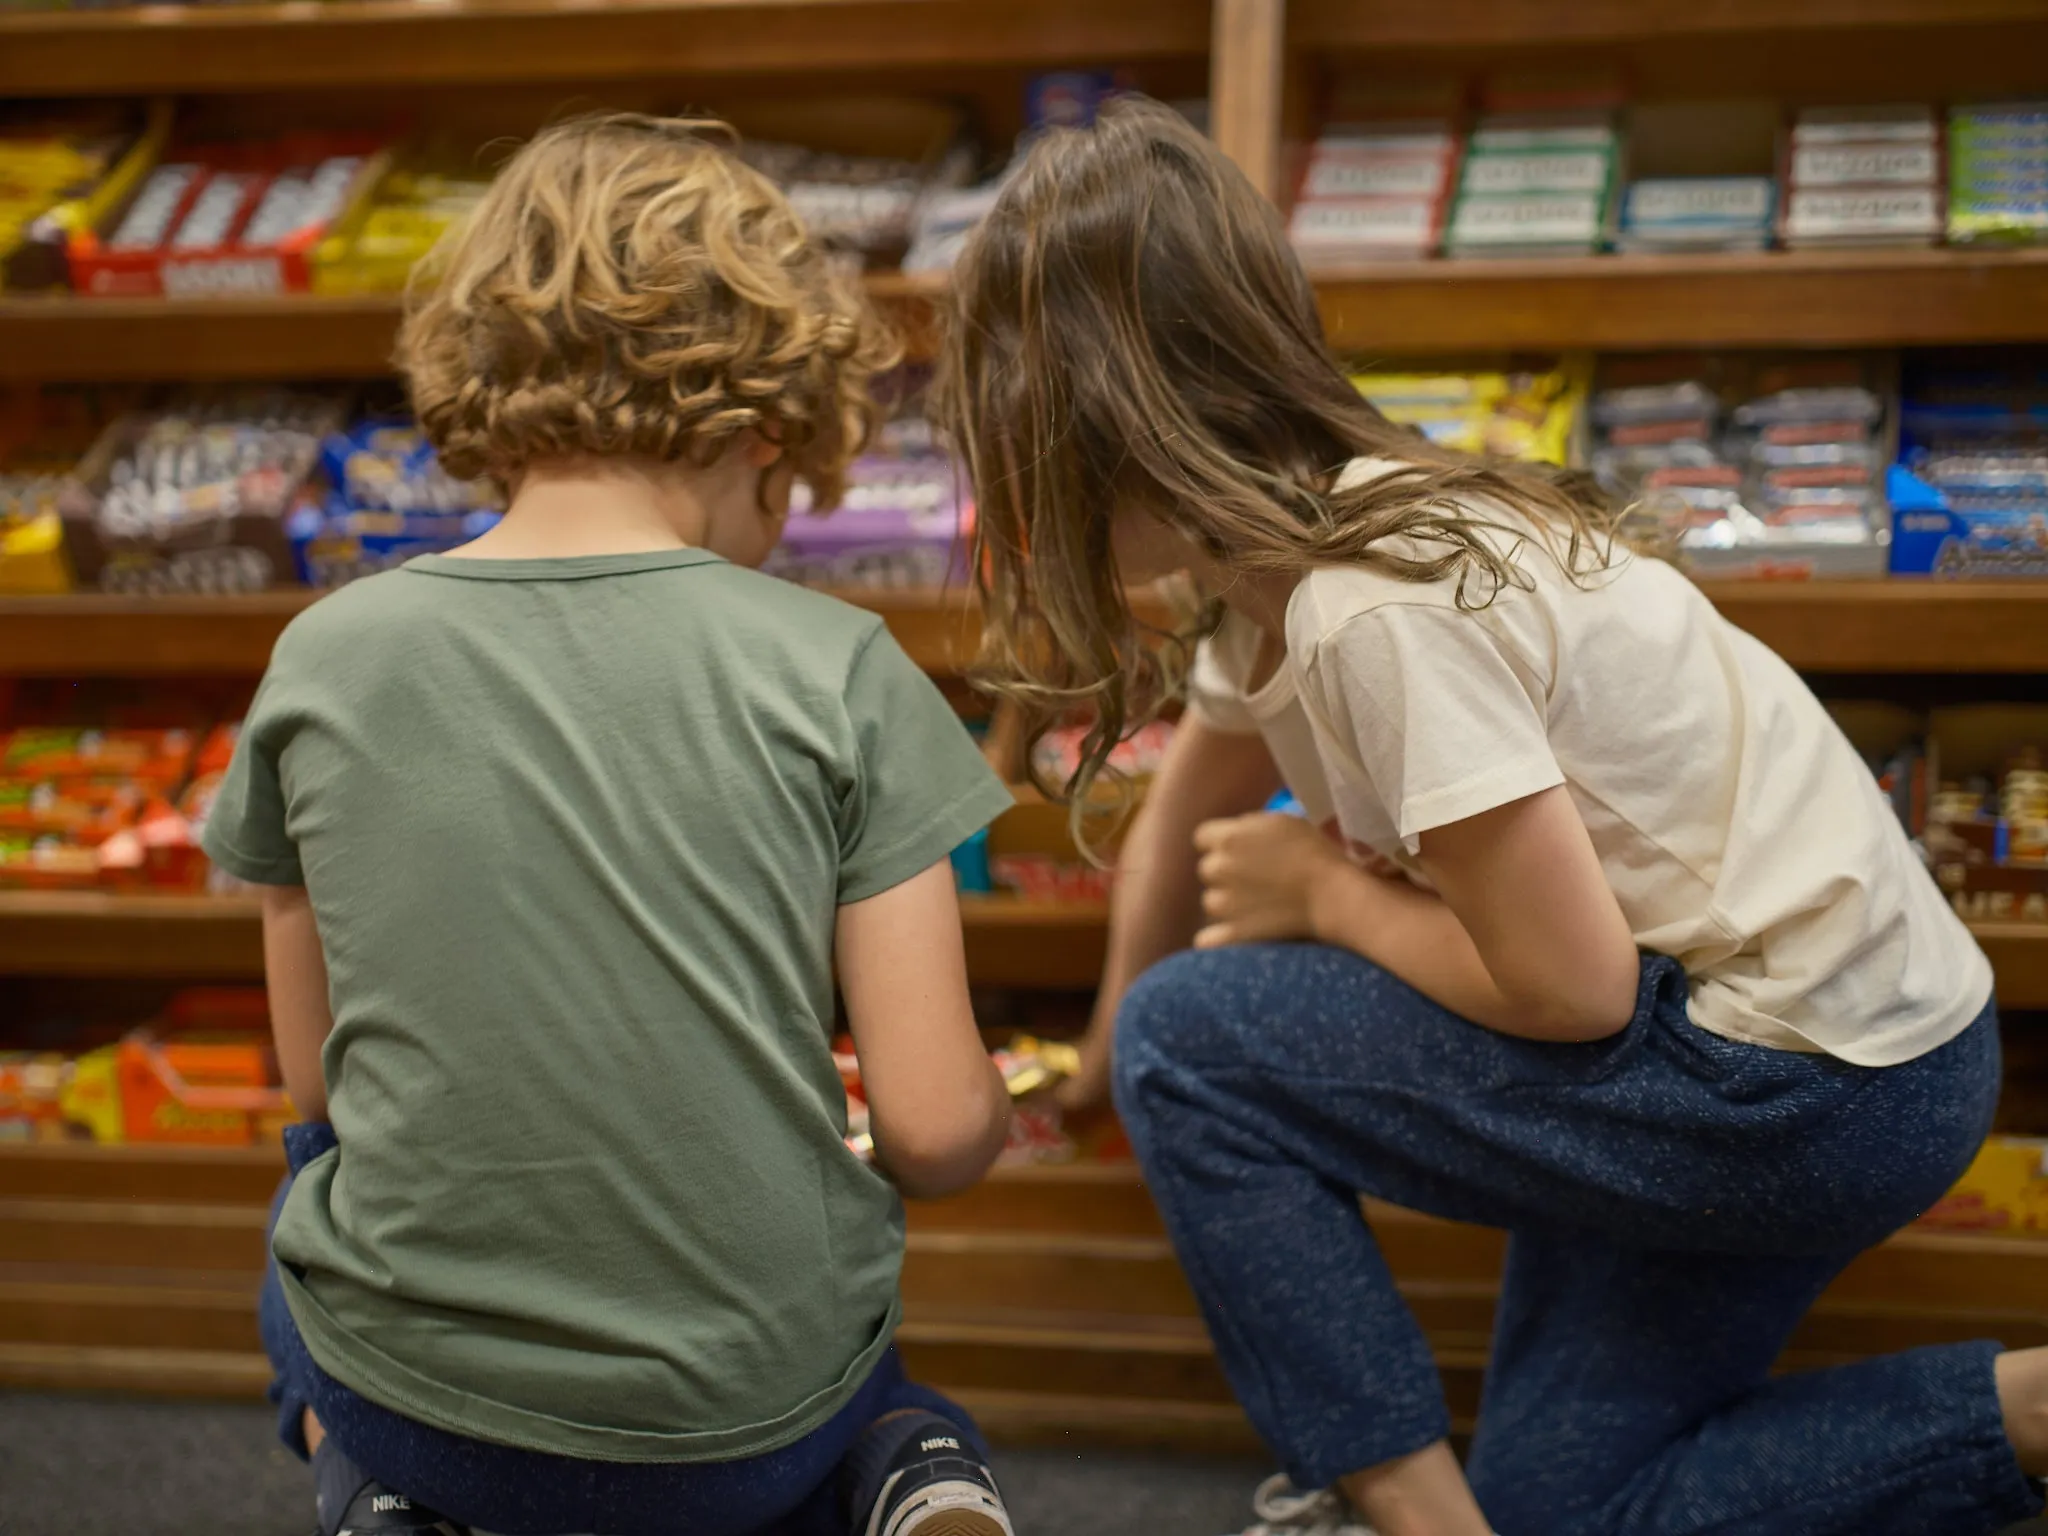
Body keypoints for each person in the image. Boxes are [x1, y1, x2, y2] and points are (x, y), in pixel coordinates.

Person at [933, 96, 2048, 1536]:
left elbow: (1571, 992)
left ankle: (1418, 1524)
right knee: (1569, 1502)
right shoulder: (1286, 565)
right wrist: (1087, 1062)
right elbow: (1174, 831)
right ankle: (2024, 1414)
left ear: (1111, 427)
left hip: (1798, 1084)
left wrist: (1326, 901)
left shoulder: (1367, 610)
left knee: (1192, 1047)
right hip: (1872, 1038)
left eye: (1015, 457)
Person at [202, 114, 1019, 1536]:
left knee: (307, 1249)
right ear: (770, 425)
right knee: (855, 1353)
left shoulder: (323, 659)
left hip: (437, 1399)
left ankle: (379, 1491)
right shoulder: (839, 667)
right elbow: (937, 1130)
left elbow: (322, 1094)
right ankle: (905, 1463)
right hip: (741, 1422)